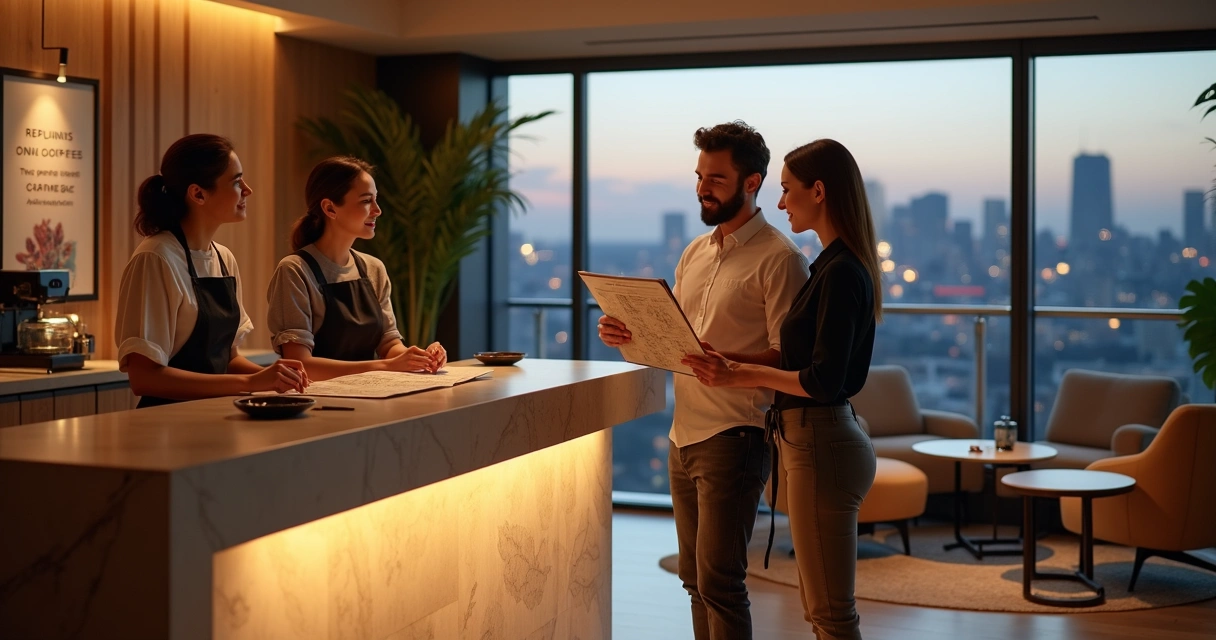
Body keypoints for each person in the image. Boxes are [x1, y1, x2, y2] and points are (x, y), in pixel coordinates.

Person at [598, 121, 809, 639]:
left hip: (737, 435)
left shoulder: (782, 260)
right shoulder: (694, 253)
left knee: (720, 582)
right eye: (699, 176)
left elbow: (790, 358)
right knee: (695, 581)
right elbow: (679, 343)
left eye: (715, 178)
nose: (702, 187)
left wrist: (731, 365)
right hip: (683, 433)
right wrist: (627, 334)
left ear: (752, 181)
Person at [683, 138, 883, 640]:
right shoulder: (828, 266)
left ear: (819, 191)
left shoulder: (836, 271)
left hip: (823, 439)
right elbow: (798, 360)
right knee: (821, 613)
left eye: (788, 189)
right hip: (809, 438)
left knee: (830, 616)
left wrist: (738, 374)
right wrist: (722, 359)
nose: (780, 201)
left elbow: (821, 380)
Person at [116, 134, 309, 407]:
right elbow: (145, 378)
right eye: (236, 181)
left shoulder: (223, 258)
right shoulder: (155, 257)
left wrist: (284, 378)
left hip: (215, 417)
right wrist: (251, 383)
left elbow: (228, 361)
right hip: (165, 429)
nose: (247, 190)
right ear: (198, 194)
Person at [266, 156, 446, 380]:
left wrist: (418, 357)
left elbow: (389, 343)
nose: (377, 210)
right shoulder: (295, 271)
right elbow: (301, 364)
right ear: (330, 208)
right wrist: (386, 366)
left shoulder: (373, 268)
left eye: (376, 200)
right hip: (319, 402)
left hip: (373, 395)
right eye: (366, 201)